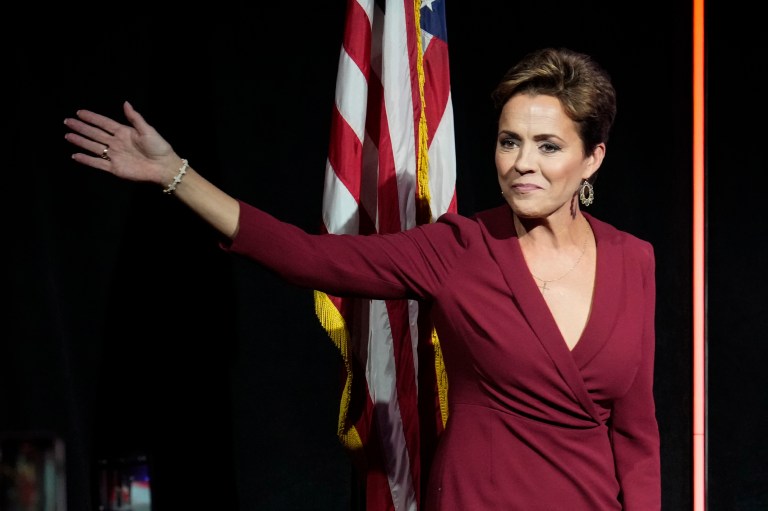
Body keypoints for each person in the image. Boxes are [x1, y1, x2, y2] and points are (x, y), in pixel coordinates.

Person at [64, 47, 660, 510]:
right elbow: (307, 257)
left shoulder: (634, 260)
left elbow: (637, 437)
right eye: (510, 142)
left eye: (548, 146)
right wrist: (176, 174)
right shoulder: (459, 248)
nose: (522, 163)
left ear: (593, 158)